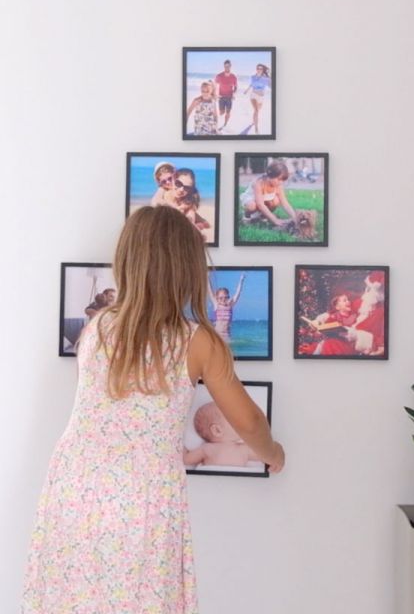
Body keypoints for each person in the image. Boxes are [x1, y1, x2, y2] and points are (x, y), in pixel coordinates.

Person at [22, 205, 285, 612]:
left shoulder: (96, 328)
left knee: (73, 596)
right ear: (188, 270)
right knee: (141, 598)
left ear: (127, 261)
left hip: (74, 483)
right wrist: (274, 453)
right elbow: (249, 420)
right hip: (141, 491)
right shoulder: (198, 341)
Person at [184, 401, 263, 467]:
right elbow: (185, 459)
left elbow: (264, 456)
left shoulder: (244, 449)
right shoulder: (206, 449)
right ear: (217, 430)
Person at [240, 160, 299, 229]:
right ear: (270, 176)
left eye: (282, 180)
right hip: (252, 199)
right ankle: (246, 216)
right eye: (279, 179)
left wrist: (295, 218)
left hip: (264, 200)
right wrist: (275, 220)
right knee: (252, 205)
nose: (281, 182)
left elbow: (285, 203)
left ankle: (263, 216)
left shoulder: (278, 185)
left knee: (276, 201)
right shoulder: (258, 183)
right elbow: (260, 204)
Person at [174, 168, 211, 238]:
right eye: (178, 184)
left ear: (191, 190)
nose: (181, 189)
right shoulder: (163, 193)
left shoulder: (188, 202)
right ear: (173, 180)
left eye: (187, 187)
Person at [209, 274, 246, 342]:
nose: (223, 299)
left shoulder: (230, 306)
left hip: (227, 336)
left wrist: (241, 280)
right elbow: (210, 292)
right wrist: (207, 278)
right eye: (221, 298)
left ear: (228, 297)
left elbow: (237, 293)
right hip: (217, 335)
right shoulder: (216, 305)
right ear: (217, 298)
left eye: (226, 297)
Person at [242, 63, 271, 134]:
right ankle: (256, 128)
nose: (259, 70)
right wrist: (247, 90)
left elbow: (271, 86)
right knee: (256, 110)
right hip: (253, 95)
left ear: (263, 70)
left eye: (260, 69)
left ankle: (253, 121)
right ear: (256, 69)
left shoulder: (266, 79)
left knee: (257, 111)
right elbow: (251, 84)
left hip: (261, 97)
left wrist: (270, 76)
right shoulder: (253, 77)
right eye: (258, 68)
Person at [214, 59, 238, 133]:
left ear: (230, 66)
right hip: (221, 96)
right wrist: (215, 94)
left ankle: (225, 124)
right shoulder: (219, 76)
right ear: (224, 66)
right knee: (221, 112)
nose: (227, 67)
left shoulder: (233, 76)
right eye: (225, 66)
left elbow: (236, 87)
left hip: (229, 97)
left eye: (228, 66)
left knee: (228, 112)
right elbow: (214, 85)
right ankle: (221, 121)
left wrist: (234, 94)